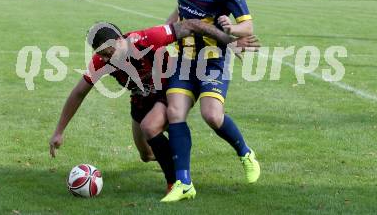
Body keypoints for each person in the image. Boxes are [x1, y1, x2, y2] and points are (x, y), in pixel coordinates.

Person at [49, 20, 259, 193]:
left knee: (151, 127)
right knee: (146, 155)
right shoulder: (102, 62)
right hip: (141, 98)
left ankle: (177, 183)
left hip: (170, 88)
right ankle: (178, 158)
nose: (105, 58)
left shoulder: (147, 39)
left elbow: (192, 24)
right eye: (101, 54)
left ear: (121, 40)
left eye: (108, 52)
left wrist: (227, 41)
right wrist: (59, 131)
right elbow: (78, 93)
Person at [161, 0, 260, 203]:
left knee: (212, 116)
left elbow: (248, 26)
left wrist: (232, 28)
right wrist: (166, 32)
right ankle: (184, 182)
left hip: (213, 59)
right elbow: (180, 8)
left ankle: (245, 153)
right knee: (174, 112)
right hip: (184, 58)